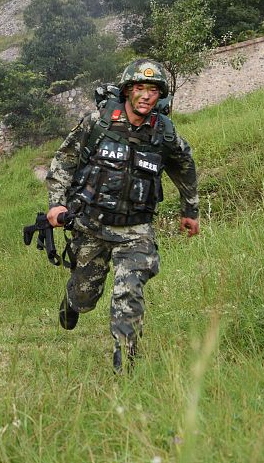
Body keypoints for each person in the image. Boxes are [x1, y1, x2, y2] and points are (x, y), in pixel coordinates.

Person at [46, 59, 199, 372]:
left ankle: (125, 369)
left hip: (135, 231)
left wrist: (190, 210)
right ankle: (72, 302)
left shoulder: (164, 135)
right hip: (91, 225)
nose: (145, 95)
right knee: (86, 295)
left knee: (127, 293)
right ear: (128, 90)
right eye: (140, 88)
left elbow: (185, 166)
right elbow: (63, 161)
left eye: (153, 90)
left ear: (161, 96)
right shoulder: (97, 123)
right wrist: (56, 204)